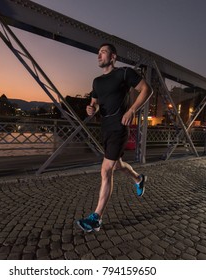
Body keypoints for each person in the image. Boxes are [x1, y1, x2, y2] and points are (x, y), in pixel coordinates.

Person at [76, 43, 152, 233]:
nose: (98, 55)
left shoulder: (124, 73)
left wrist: (132, 110)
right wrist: (91, 109)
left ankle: (96, 218)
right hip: (106, 128)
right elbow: (94, 105)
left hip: (120, 126)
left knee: (106, 169)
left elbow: (146, 89)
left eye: (102, 52)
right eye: (98, 52)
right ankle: (138, 178)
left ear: (113, 57)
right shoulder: (96, 82)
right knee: (116, 164)